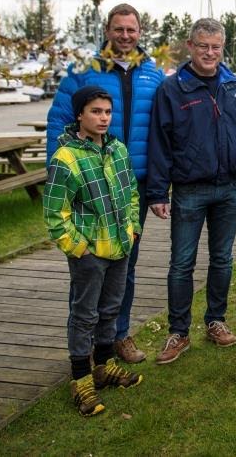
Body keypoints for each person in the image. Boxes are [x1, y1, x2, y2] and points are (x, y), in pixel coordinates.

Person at [47, 3, 164, 362]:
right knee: (88, 269)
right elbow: (59, 121)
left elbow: (161, 131)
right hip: (90, 184)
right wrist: (62, 172)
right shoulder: (83, 71)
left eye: (132, 30)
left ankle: (117, 335)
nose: (125, 36)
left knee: (123, 265)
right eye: (119, 29)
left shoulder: (152, 74)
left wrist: (161, 182)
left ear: (140, 32)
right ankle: (83, 347)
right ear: (107, 30)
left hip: (133, 185)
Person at [146, 18, 236, 364]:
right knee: (182, 262)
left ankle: (216, 320)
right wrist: (157, 192)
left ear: (222, 48)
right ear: (190, 46)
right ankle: (178, 332)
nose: (210, 53)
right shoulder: (172, 90)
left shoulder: (235, 87)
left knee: (222, 258)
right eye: (203, 46)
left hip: (229, 187)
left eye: (216, 47)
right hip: (188, 190)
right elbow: (159, 142)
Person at [44, 86, 143, 417]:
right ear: (80, 115)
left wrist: (132, 229)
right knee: (85, 314)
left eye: (107, 112)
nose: (103, 118)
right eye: (96, 112)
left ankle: (103, 367)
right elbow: (55, 214)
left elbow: (131, 192)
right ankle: (80, 378)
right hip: (89, 253)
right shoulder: (66, 158)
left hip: (119, 246)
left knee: (111, 308)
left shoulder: (117, 150)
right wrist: (79, 248)